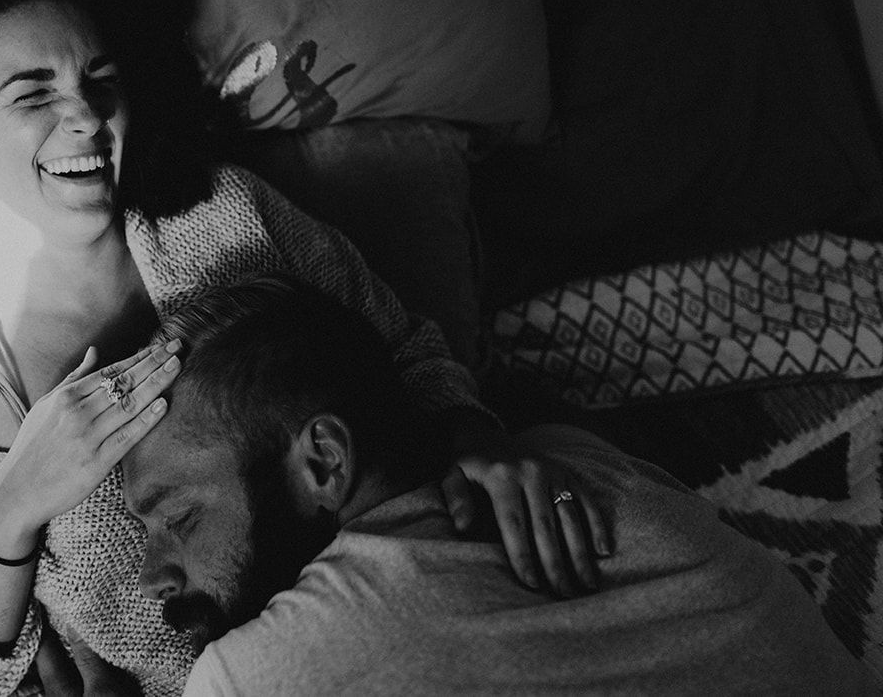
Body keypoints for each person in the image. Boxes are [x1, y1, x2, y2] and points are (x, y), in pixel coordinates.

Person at [0, 0, 612, 697]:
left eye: (99, 79)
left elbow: (403, 355)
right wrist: (10, 509)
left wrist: (478, 434)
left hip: (409, 624)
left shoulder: (226, 217)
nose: (85, 115)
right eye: (32, 92)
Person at [121, 273, 874, 696]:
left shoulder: (255, 676)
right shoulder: (575, 461)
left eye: (180, 516)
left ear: (323, 459)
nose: (151, 574)